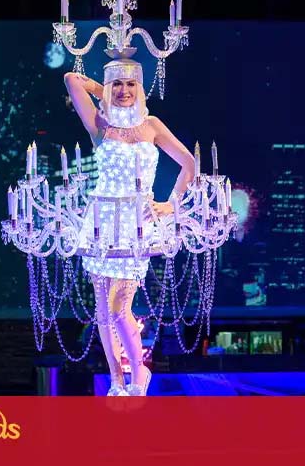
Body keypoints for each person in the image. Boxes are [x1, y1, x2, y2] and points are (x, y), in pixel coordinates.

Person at [65, 57, 195, 396]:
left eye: (130, 84)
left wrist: (170, 205)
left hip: (136, 224)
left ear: (140, 88)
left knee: (118, 306)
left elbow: (188, 164)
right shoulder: (100, 124)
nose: (124, 90)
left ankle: (140, 372)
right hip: (100, 221)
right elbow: (70, 80)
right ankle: (116, 380)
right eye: (117, 84)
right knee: (102, 309)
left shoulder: (151, 125)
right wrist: (101, 90)